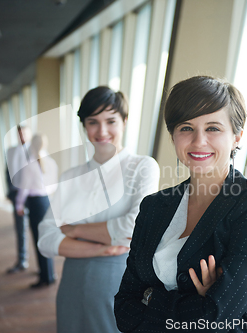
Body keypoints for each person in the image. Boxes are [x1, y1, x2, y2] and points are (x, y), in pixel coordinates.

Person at [114, 76, 247, 332]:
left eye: (213, 128)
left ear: (237, 135)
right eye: (186, 128)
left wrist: (150, 299)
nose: (198, 141)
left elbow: (217, 316)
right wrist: (196, 302)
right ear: (173, 136)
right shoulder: (154, 206)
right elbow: (123, 308)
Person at [38, 86, 160, 333]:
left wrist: (72, 230)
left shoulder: (142, 167)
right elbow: (45, 239)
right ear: (84, 126)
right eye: (93, 122)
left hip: (119, 283)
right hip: (72, 283)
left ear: (124, 122)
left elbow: (133, 228)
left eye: (111, 121)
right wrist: (104, 248)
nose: (102, 131)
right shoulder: (71, 176)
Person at [16, 134, 59, 288]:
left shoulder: (29, 164)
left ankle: (45, 277)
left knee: (39, 239)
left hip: (35, 203)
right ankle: (50, 274)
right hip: (46, 201)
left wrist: (19, 205)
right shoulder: (50, 162)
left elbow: (24, 188)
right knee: (46, 238)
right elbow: (54, 185)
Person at [6, 126, 32, 274]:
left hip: (32, 196)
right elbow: (7, 172)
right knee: (20, 230)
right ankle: (22, 260)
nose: (22, 136)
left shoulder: (34, 151)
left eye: (24, 133)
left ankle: (44, 267)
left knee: (38, 229)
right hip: (17, 195)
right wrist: (10, 193)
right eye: (19, 134)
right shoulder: (11, 151)